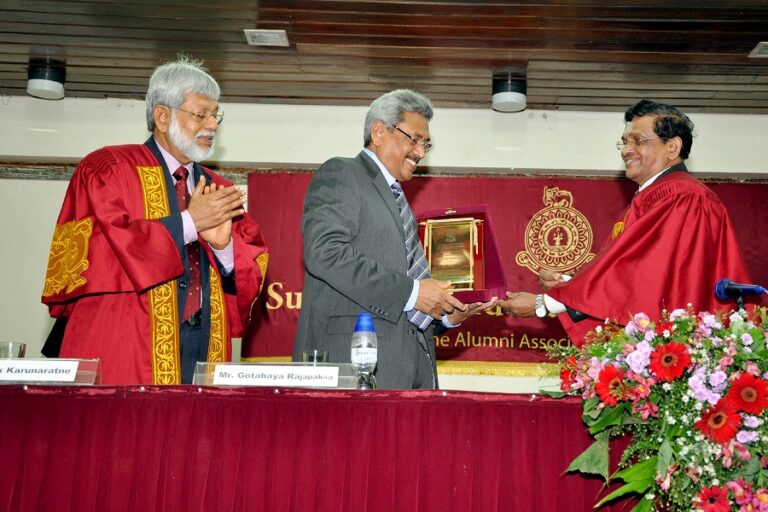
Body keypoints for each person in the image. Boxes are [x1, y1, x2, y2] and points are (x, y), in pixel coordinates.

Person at [41, 56, 269, 384]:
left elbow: (252, 270)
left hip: (203, 346)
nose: (213, 125)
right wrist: (190, 223)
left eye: (215, 114)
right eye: (201, 113)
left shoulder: (221, 190)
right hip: (126, 340)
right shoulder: (109, 169)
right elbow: (94, 255)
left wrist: (225, 249)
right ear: (162, 116)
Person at [500, 99, 753, 346]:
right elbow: (626, 273)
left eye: (639, 141)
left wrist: (544, 304)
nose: (625, 150)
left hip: (676, 349)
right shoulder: (653, 199)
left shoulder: (682, 198)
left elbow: (643, 275)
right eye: (624, 142)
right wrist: (568, 284)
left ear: (672, 147)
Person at [293, 89, 496, 388]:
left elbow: (403, 305)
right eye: (413, 139)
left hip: (411, 372)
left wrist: (448, 316)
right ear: (378, 132)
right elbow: (324, 253)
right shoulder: (342, 174)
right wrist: (414, 292)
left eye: (426, 143)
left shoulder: (398, 201)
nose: (420, 152)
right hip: (352, 371)